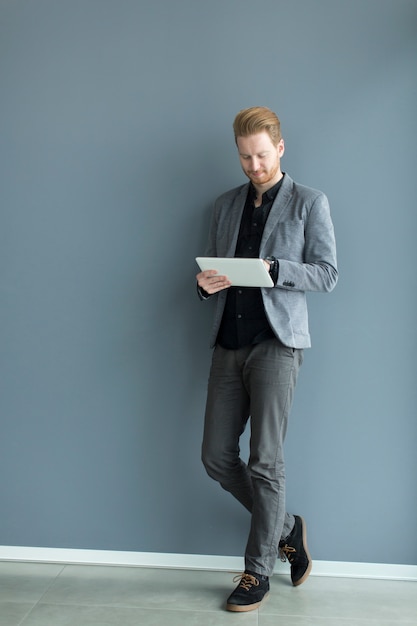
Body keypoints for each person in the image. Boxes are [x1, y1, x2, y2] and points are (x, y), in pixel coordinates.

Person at [196, 106, 338, 612]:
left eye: (260, 155)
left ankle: (258, 572)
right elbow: (219, 267)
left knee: (265, 463)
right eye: (244, 157)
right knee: (216, 457)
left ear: (280, 148)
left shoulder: (309, 202)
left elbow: (326, 274)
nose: (253, 166)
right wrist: (204, 284)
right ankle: (286, 528)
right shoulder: (225, 204)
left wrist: (277, 269)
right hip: (228, 343)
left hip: (277, 345)